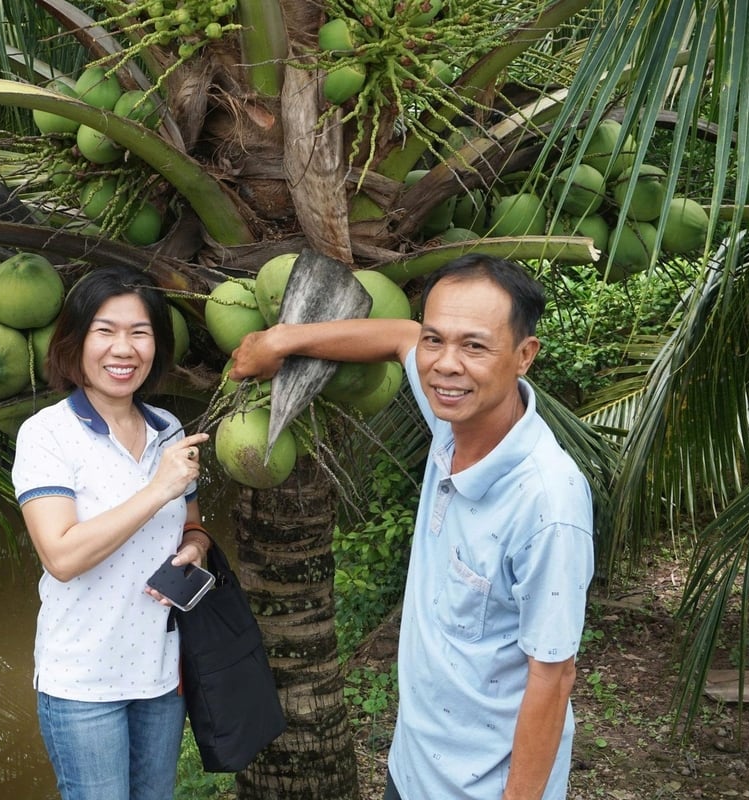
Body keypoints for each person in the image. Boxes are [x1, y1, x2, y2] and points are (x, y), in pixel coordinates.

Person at [229, 254, 594, 800]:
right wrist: (281, 341)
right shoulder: (456, 419)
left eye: (475, 345)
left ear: (525, 356)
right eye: (436, 340)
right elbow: (400, 335)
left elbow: (553, 676)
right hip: (413, 769)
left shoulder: (548, 504)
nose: (445, 365)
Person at [11, 265, 211, 800]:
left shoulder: (169, 429)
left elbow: (192, 525)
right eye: (105, 330)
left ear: (157, 346)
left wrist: (194, 548)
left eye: (139, 333)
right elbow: (62, 555)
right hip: (83, 683)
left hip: (158, 676)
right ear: (75, 342)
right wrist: (156, 489)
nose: (123, 349)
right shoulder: (48, 434)